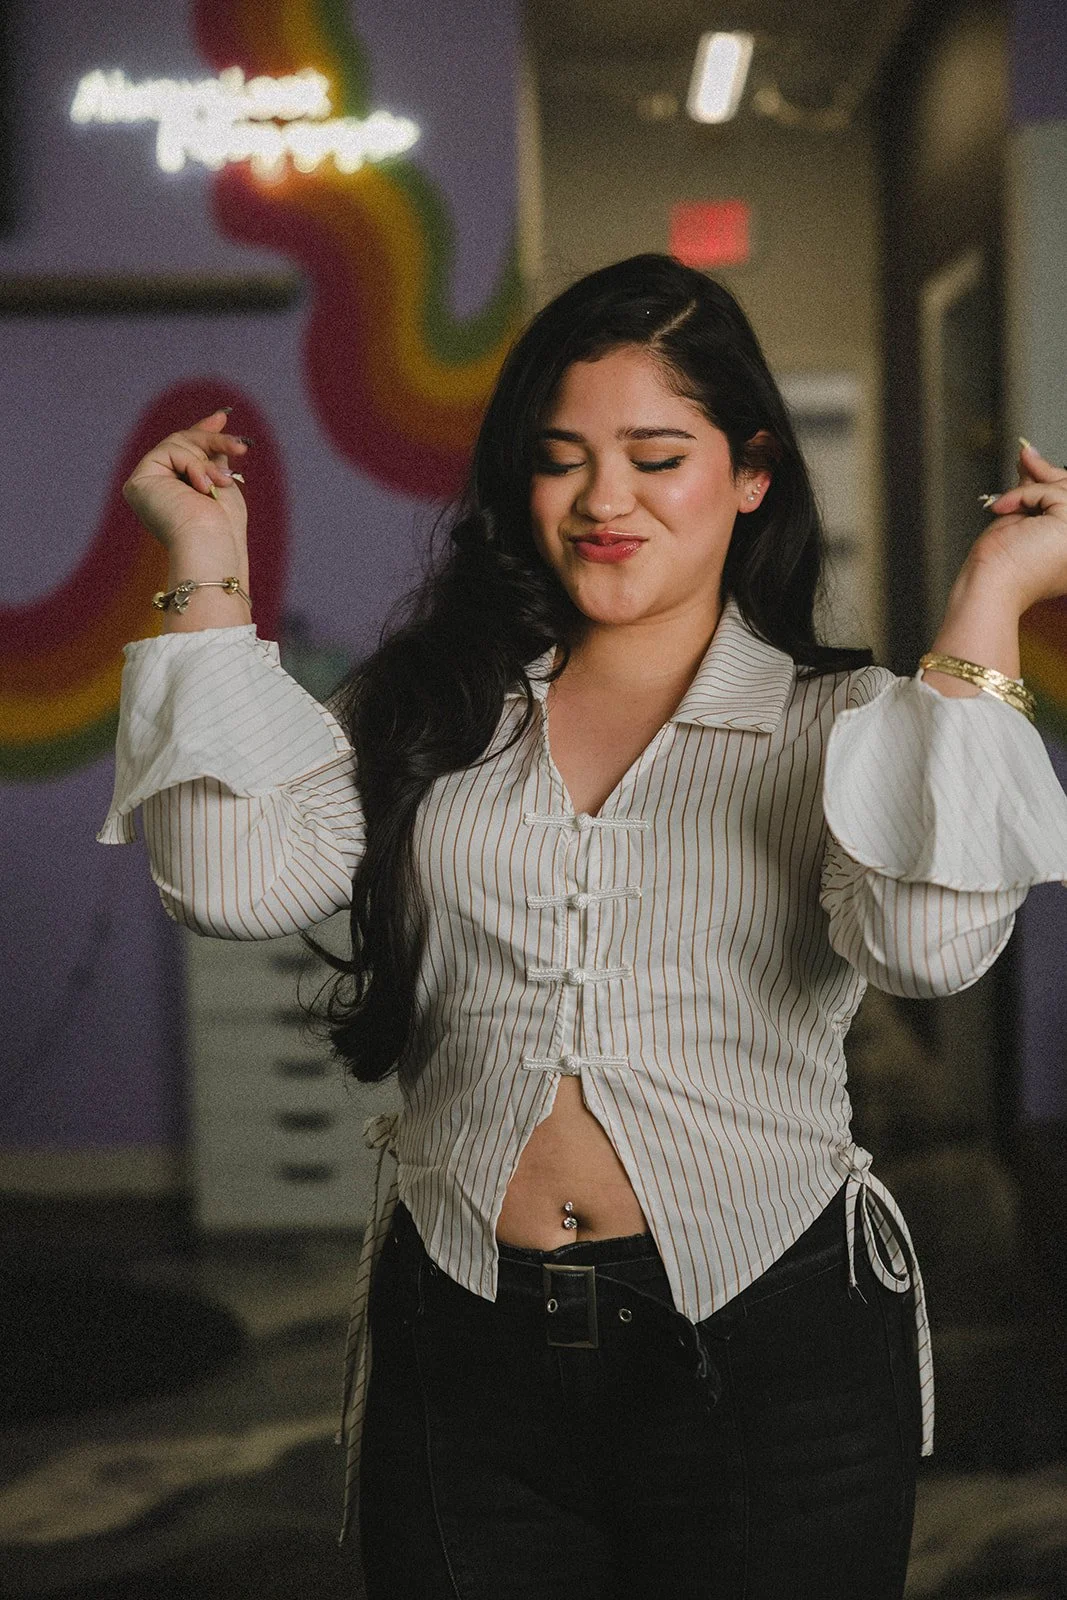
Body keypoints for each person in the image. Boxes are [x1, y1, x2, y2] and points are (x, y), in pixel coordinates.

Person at [98, 254, 1067, 1599]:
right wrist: (206, 567)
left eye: (657, 455)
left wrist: (991, 600)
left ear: (750, 472)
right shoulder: (433, 707)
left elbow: (928, 951)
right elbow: (225, 880)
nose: (604, 499)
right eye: (562, 459)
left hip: (771, 1342)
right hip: (459, 1341)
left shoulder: (841, 727)